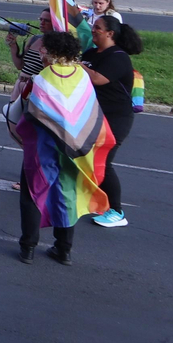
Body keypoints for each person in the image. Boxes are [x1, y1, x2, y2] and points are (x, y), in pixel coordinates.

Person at [10, 30, 113, 265]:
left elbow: (32, 115)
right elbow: (88, 110)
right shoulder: (82, 75)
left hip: (44, 149)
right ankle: (63, 249)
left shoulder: (43, 77)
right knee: (68, 194)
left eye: (44, 49)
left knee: (33, 193)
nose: (41, 52)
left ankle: (28, 247)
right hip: (76, 149)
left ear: (53, 52)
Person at [82, 15, 143, 228]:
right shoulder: (90, 53)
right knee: (86, 159)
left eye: (98, 27)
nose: (93, 29)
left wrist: (78, 66)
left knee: (104, 162)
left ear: (110, 33)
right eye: (93, 26)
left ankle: (117, 212)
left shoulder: (118, 57)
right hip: (94, 116)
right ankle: (95, 201)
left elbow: (98, 78)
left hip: (116, 119)